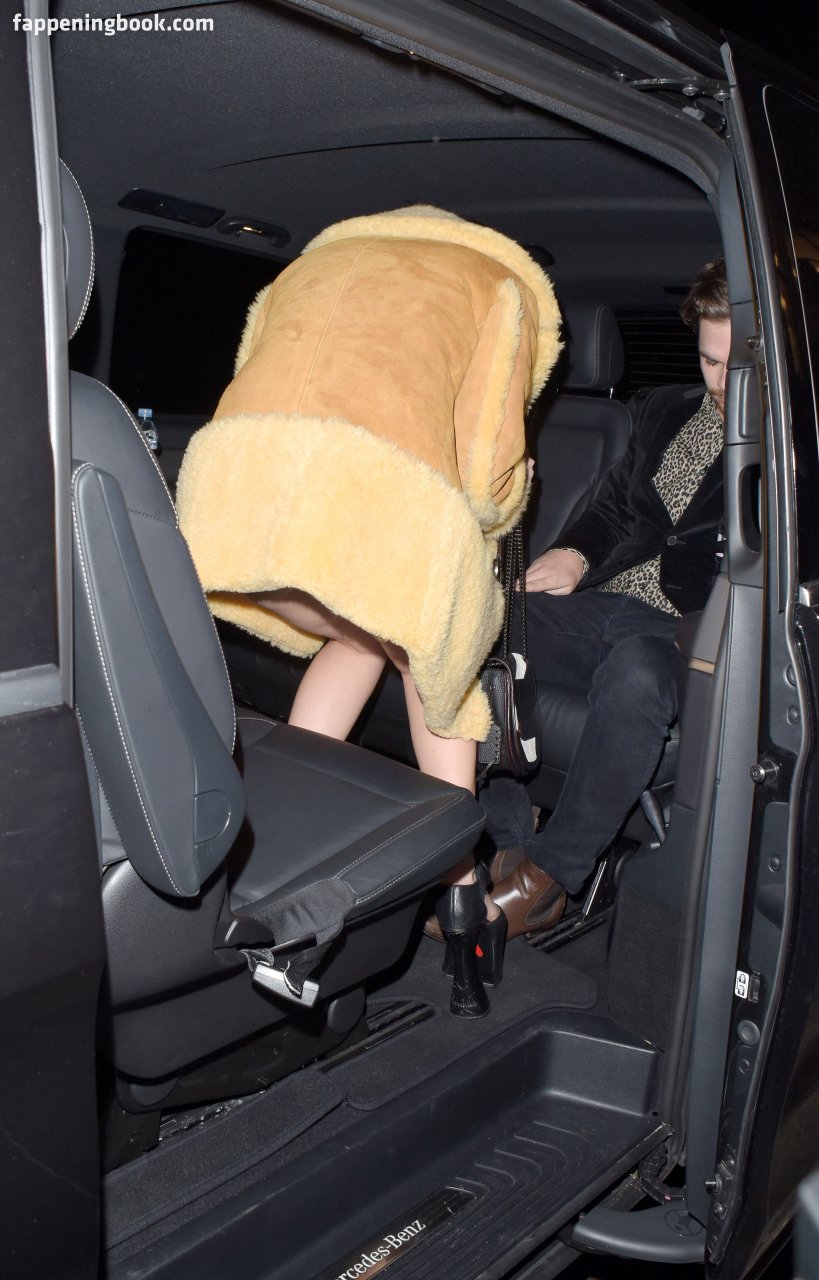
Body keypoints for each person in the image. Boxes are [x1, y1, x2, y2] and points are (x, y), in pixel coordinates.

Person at [176, 206, 562, 1015]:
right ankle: (463, 896)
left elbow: (251, 366)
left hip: (233, 486)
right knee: (438, 671)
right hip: (376, 493)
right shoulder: (497, 288)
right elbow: (487, 454)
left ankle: (288, 844)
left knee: (357, 635)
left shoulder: (310, 267)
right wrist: (505, 500)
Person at [480, 258, 730, 937]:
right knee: (481, 625)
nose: (720, 383)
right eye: (709, 361)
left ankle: (548, 880)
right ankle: (508, 840)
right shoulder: (664, 408)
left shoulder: (793, 446)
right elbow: (616, 508)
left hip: (684, 629)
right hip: (604, 600)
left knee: (637, 675)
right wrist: (574, 554)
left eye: (738, 367)